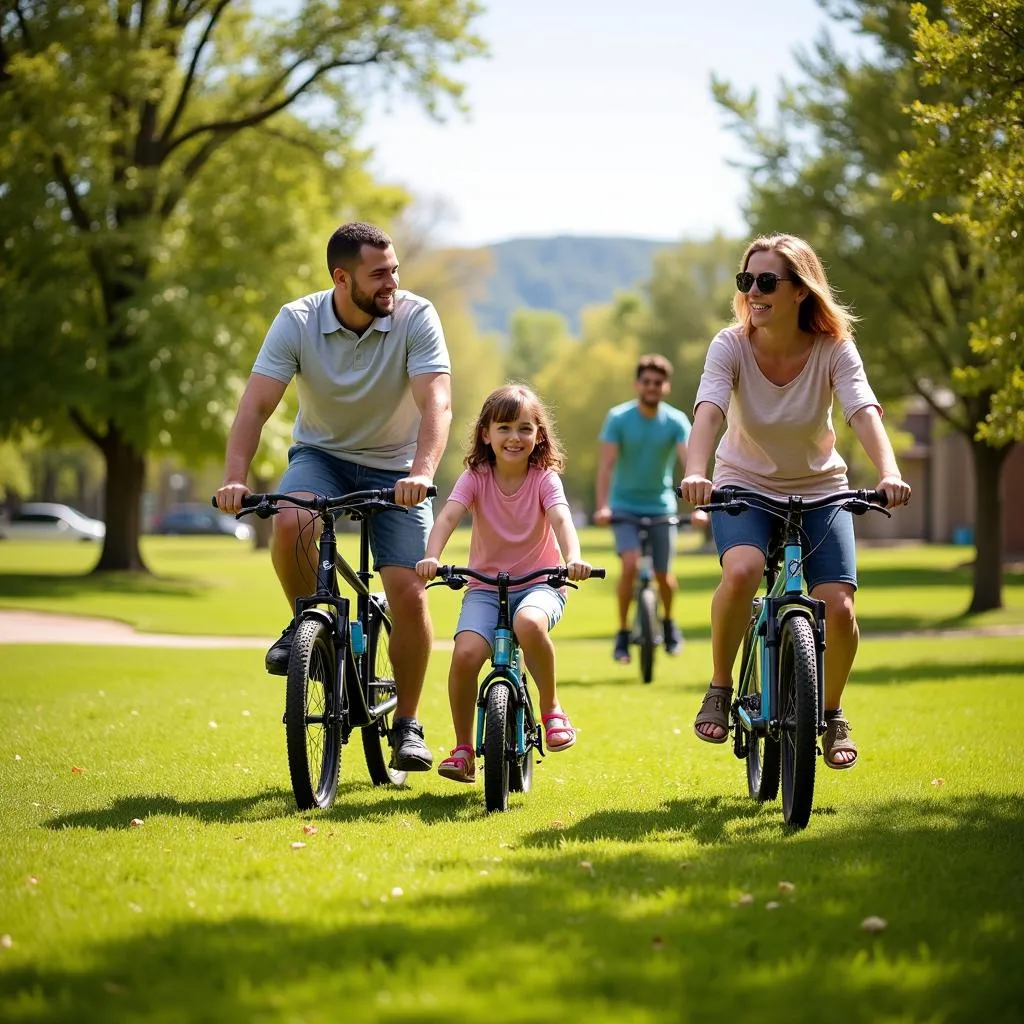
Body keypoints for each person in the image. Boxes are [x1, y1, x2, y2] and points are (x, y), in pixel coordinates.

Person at [216, 221, 452, 773]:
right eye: (379, 274)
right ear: (341, 279)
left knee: (409, 591)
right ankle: (307, 627)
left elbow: (436, 402)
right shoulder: (297, 320)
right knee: (291, 522)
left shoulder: (416, 317)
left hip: (397, 468)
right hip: (320, 458)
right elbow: (255, 407)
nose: (392, 282)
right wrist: (234, 476)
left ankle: (409, 724)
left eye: (395, 269)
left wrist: (421, 470)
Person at [679, 233, 911, 769]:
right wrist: (696, 471)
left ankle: (831, 714)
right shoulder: (730, 345)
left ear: (801, 291)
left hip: (820, 489)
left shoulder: (834, 348)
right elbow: (710, 410)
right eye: (747, 281)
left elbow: (862, 410)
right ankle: (718, 687)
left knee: (840, 606)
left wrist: (890, 471)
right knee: (742, 570)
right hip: (744, 483)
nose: (754, 292)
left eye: (767, 281)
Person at [415, 384, 593, 784]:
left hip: (540, 585)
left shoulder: (544, 478)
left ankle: (551, 708)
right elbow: (448, 516)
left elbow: (562, 519)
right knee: (465, 655)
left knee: (529, 624)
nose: (515, 438)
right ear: (486, 434)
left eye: (525, 429)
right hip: (484, 588)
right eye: (505, 427)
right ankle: (463, 749)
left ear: (539, 435)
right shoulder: (476, 477)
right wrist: (432, 556)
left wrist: (573, 559)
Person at [594, 354, 703, 664]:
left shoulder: (676, 421)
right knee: (629, 565)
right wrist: (602, 507)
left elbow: (689, 464)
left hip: (661, 507)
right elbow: (605, 467)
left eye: (658, 383)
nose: (652, 387)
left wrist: (698, 507)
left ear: (665, 387)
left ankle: (669, 624)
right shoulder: (618, 418)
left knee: (664, 576)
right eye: (647, 382)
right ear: (637, 384)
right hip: (624, 507)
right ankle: (622, 633)